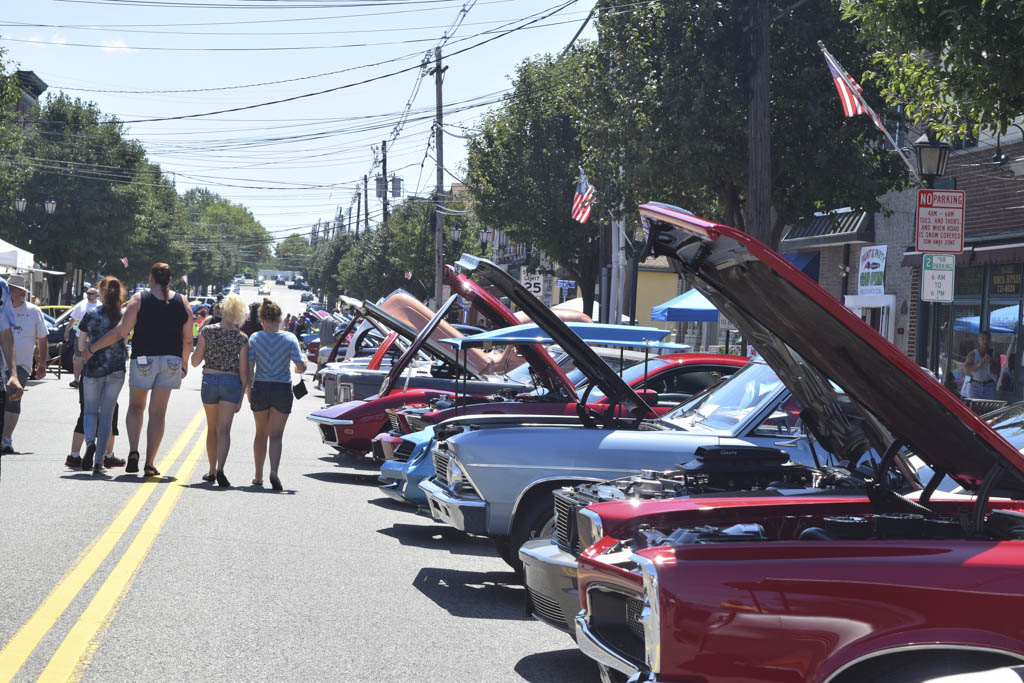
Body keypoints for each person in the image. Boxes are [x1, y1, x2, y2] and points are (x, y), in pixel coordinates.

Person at [84, 263, 192, 477]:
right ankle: (150, 462)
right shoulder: (182, 302)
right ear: (170, 281)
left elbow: (121, 331)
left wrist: (92, 348)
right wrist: (184, 362)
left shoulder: (139, 299)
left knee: (136, 407)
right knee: (158, 412)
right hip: (171, 360)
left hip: (143, 359)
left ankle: (134, 452)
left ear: (151, 279)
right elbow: (188, 339)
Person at [247, 298, 305, 490]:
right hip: (282, 389)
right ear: (280, 319)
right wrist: (299, 369)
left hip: (261, 387)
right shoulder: (289, 339)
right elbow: (301, 366)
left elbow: (250, 368)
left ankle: (258, 475)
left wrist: (249, 389)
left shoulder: (255, 338)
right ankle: (274, 471)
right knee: (277, 436)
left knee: (260, 433)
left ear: (262, 319)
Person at [191, 294, 248, 487]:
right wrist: (241, 397)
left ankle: (211, 470)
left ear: (222, 310)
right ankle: (221, 468)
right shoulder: (241, 338)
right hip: (231, 382)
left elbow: (195, 361)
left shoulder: (207, 331)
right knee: (225, 430)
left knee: (212, 428)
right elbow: (243, 371)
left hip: (210, 379)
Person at [77, 276, 128, 474]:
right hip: (116, 369)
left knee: (90, 411)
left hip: (93, 368)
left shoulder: (91, 314)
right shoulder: (123, 315)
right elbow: (124, 341)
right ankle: (99, 461)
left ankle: (90, 442)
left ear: (101, 292)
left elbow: (82, 344)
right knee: (107, 414)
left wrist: (85, 354)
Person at [1, 275, 47, 454]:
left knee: (13, 398)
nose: (8, 292)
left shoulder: (33, 311)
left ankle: (6, 438)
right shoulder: (1, 308)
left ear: (21, 292)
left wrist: (42, 363)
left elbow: (42, 338)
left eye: (11, 289)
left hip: (21, 364)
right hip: (1, 362)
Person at [65, 286, 99, 388]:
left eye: (91, 293)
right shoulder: (81, 306)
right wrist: (67, 331)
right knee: (78, 358)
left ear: (97, 295)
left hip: (94, 338)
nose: (89, 295)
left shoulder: (100, 306)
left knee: (93, 358)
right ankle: (76, 379)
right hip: (80, 336)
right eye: (88, 293)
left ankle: (92, 379)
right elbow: (73, 320)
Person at [962, 330, 1001, 400]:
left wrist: (991, 362)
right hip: (975, 386)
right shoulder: (973, 354)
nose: (984, 341)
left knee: (990, 410)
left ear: (990, 341)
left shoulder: (995, 354)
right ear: (979, 340)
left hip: (990, 386)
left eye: (987, 339)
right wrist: (979, 364)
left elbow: (998, 372)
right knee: (973, 409)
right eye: (982, 339)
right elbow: (965, 370)